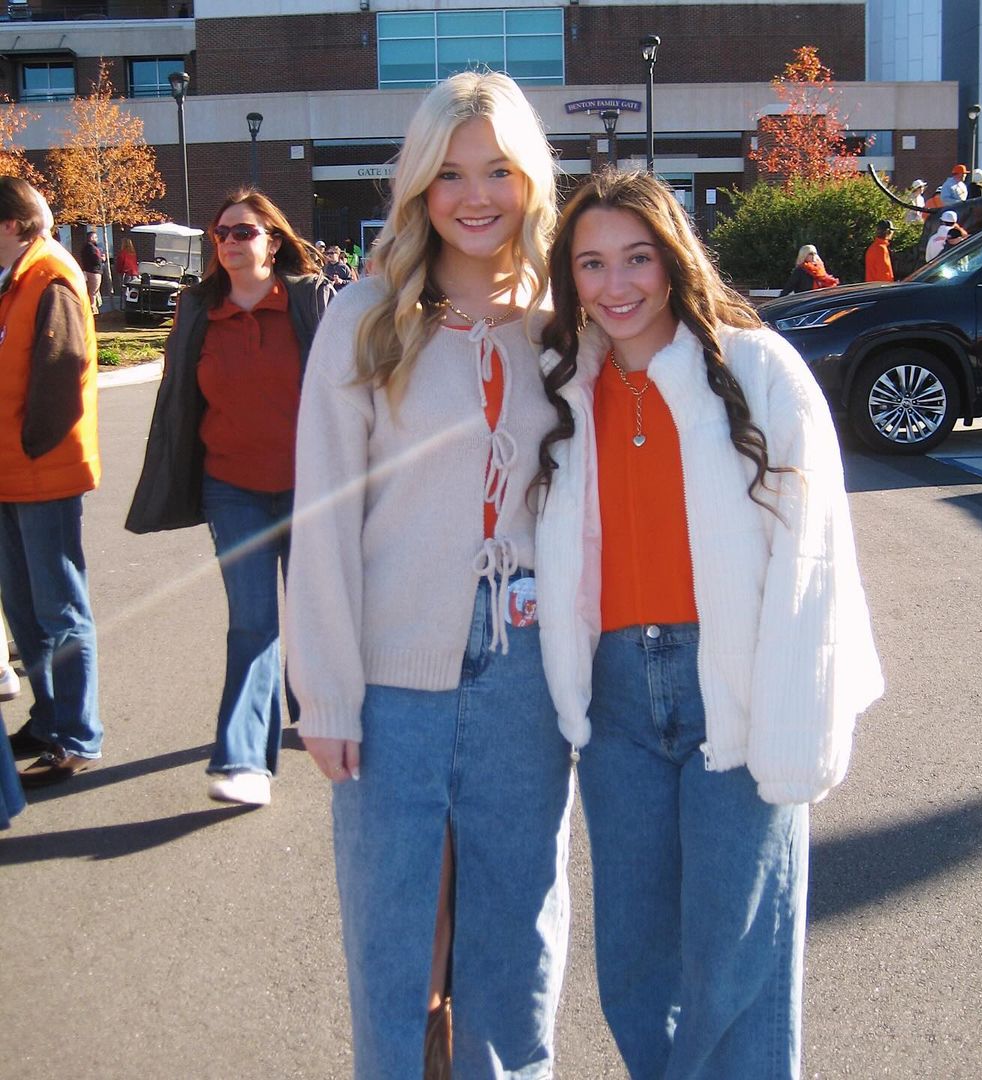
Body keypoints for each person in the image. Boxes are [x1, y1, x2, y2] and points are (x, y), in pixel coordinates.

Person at [534, 169, 883, 1079]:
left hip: (735, 683)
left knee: (737, 961)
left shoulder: (758, 368)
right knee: (634, 964)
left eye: (637, 258)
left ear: (674, 258)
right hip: (616, 700)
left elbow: (814, 556)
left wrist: (799, 720)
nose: (616, 285)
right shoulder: (563, 384)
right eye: (592, 263)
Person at [285, 71, 573, 1079]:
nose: (475, 195)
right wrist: (325, 692)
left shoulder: (568, 321)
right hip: (390, 686)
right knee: (393, 946)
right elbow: (324, 518)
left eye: (498, 169)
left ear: (531, 179)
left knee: (517, 945)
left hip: (528, 682)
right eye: (449, 173)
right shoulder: (367, 318)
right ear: (418, 185)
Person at [126, 190, 332, 807]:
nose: (230, 242)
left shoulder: (309, 300)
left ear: (274, 240)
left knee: (312, 616)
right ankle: (245, 760)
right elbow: (179, 397)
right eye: (221, 234)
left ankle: (314, 704)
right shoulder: (198, 308)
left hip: (310, 488)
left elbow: (348, 387)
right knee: (252, 622)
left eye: (243, 232)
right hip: (232, 488)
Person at [0, 176, 103, 787]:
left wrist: (29, 445)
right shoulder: (18, 277)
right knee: (26, 611)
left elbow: (64, 368)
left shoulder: (49, 275)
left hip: (40, 470)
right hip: (14, 471)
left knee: (58, 610)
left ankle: (76, 737)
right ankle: (48, 720)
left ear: (10, 225)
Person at [79, 228, 103, 314]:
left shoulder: (84, 248)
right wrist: (102, 259)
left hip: (87, 270)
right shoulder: (92, 248)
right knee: (93, 291)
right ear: (91, 238)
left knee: (90, 291)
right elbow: (96, 260)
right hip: (94, 272)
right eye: (95, 237)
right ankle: (93, 309)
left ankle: (91, 308)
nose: (97, 239)